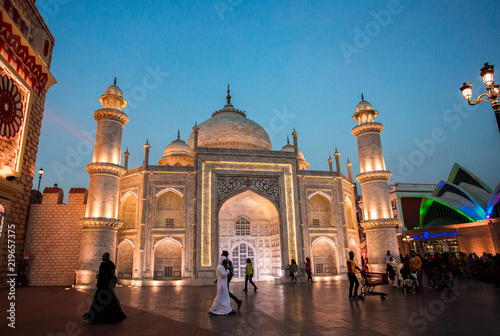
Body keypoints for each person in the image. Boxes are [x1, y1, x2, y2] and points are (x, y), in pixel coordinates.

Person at [82, 252, 126, 324]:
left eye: (104, 256)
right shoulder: (111, 264)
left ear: (107, 257)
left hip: (103, 286)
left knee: (99, 301)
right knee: (110, 301)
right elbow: (111, 275)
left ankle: (97, 317)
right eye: (103, 256)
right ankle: (113, 316)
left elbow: (103, 275)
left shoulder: (103, 264)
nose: (103, 258)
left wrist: (98, 279)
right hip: (108, 286)